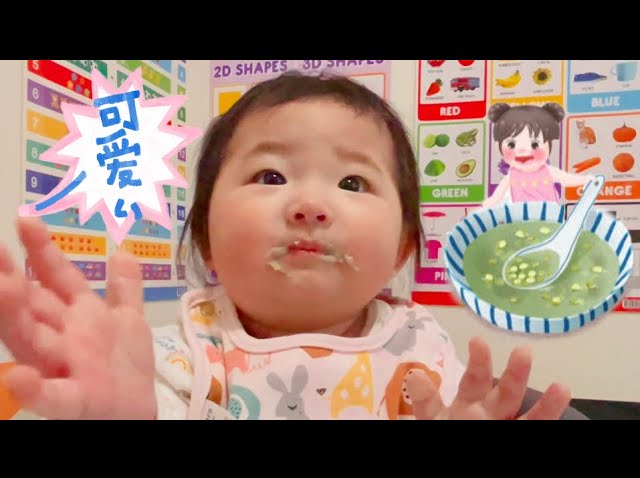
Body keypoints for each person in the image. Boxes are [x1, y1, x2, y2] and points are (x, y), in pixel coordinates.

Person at [0, 72, 573, 420]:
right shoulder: (175, 360)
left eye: (353, 183)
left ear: (401, 248)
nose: (310, 205)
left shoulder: (423, 350)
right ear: (205, 235)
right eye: (270, 176)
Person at [483, 102, 595, 209]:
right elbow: (497, 196)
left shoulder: (547, 171)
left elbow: (566, 179)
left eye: (534, 144)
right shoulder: (511, 175)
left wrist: (586, 180)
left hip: (549, 217)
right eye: (511, 145)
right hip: (523, 218)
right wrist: (483, 207)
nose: (522, 151)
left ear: (549, 144)